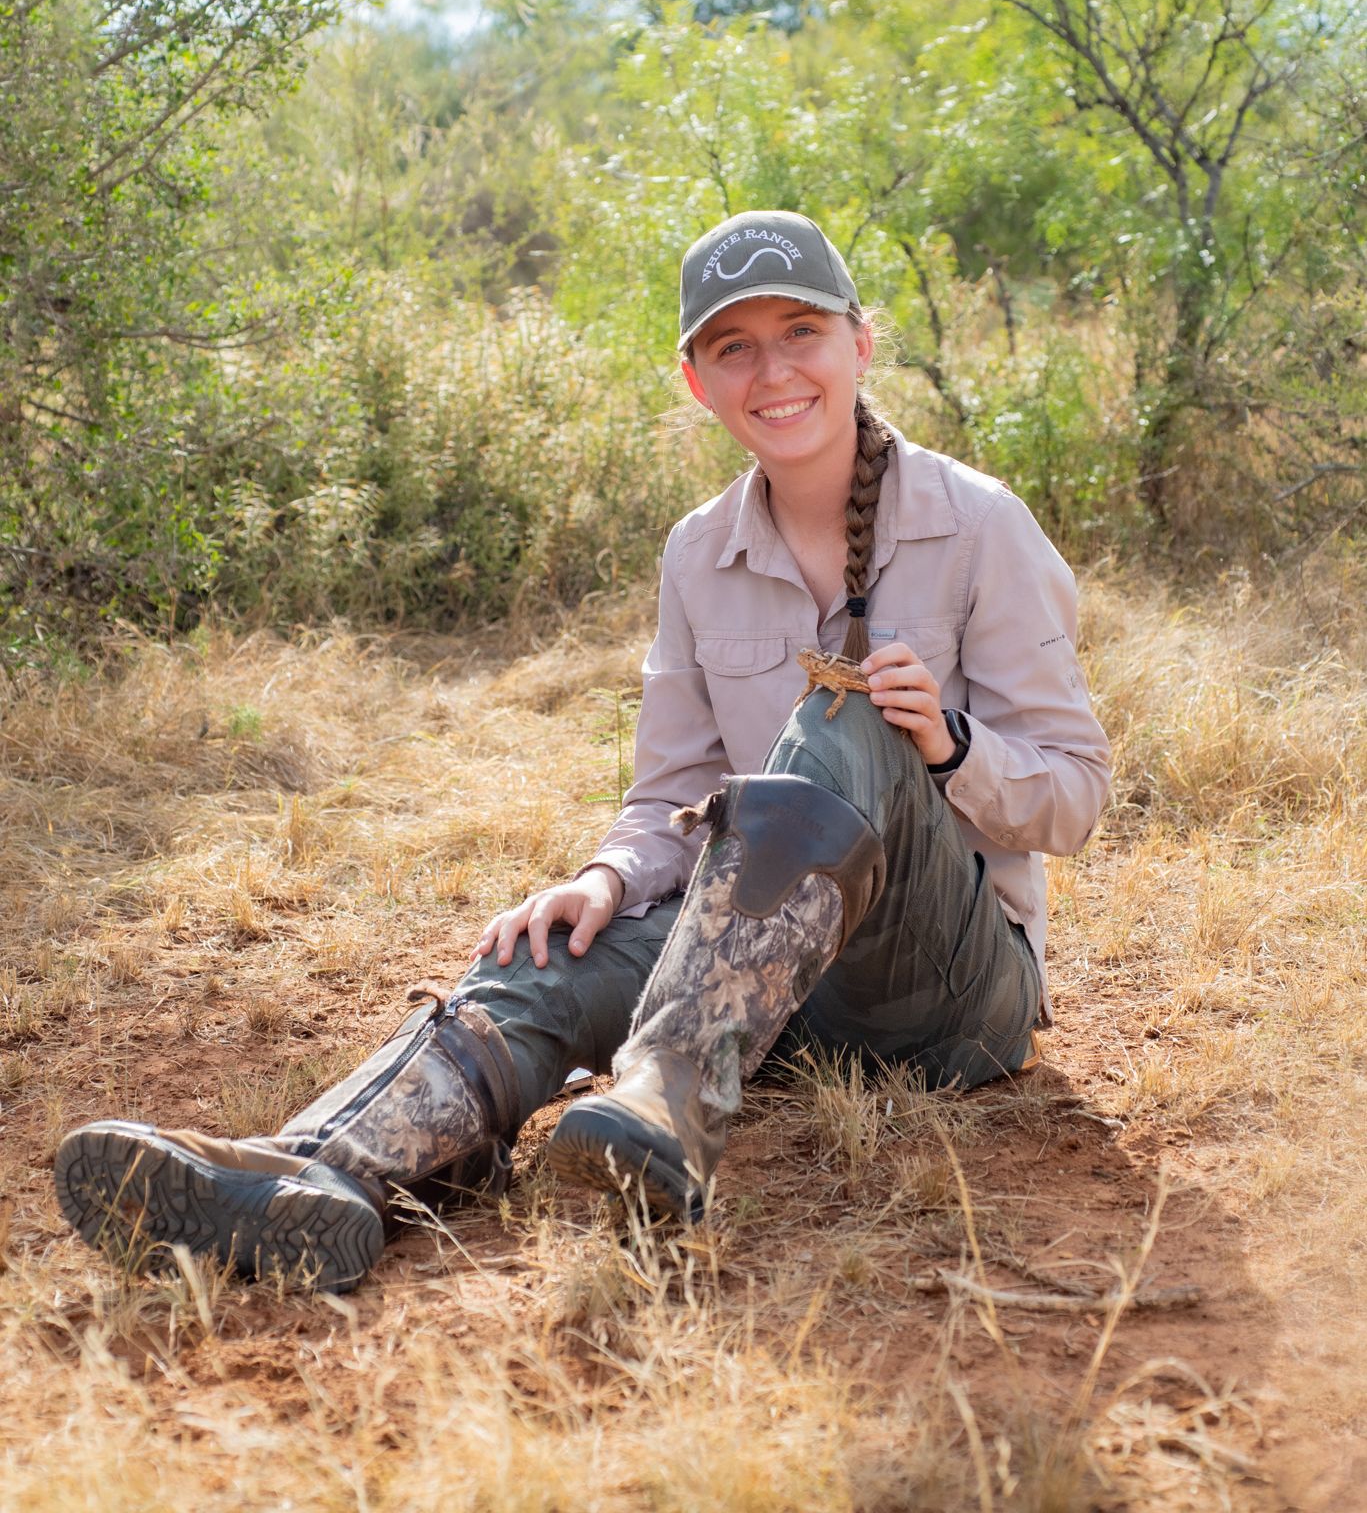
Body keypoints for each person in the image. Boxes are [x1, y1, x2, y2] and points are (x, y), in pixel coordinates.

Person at [54, 210, 1111, 1290]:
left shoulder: (980, 524)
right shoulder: (697, 551)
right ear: (696, 379)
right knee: (544, 947)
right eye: (732, 345)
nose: (773, 369)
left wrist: (944, 743)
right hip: (760, 995)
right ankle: (322, 1172)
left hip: (944, 995)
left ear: (859, 343)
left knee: (846, 715)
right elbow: (669, 796)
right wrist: (604, 875)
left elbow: (1075, 797)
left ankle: (667, 1093)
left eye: (800, 331)